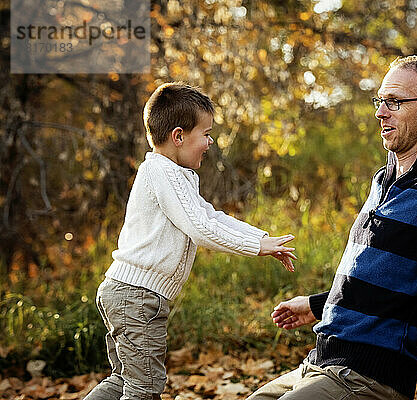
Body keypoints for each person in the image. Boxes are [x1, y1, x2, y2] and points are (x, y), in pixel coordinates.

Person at [248, 56, 417, 400]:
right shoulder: (383, 180)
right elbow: (386, 289)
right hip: (318, 364)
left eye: (395, 102)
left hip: (368, 380)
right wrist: (316, 305)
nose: (380, 112)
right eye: (380, 101)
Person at [84, 82, 297, 400]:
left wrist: (262, 239)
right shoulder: (163, 173)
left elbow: (212, 217)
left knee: (123, 381)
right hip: (137, 298)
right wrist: (256, 247)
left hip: (127, 292)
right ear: (178, 136)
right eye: (206, 134)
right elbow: (201, 229)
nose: (210, 142)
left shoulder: (172, 174)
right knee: (144, 389)